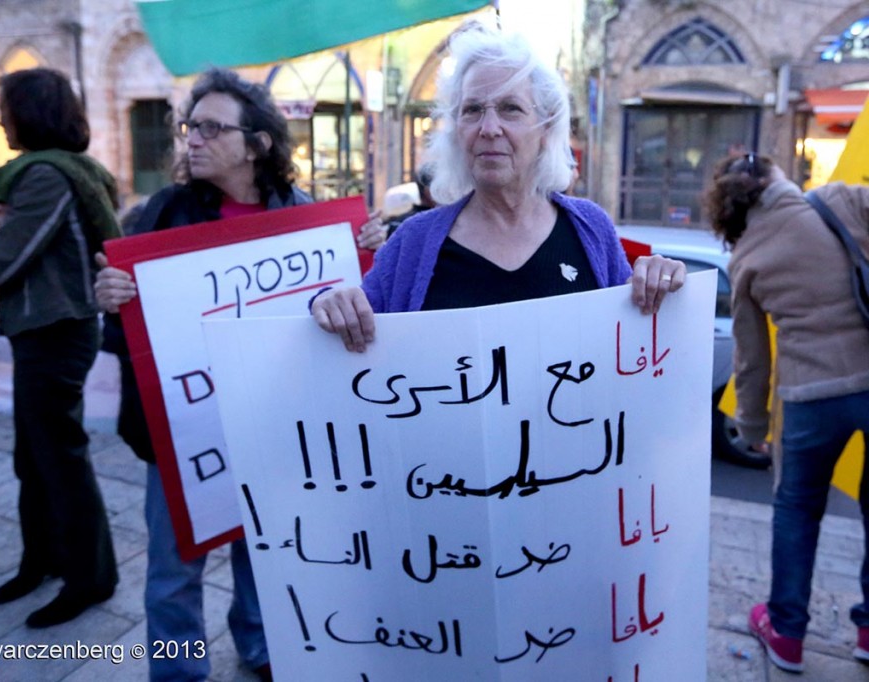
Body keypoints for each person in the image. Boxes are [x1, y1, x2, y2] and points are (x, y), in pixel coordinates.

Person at [95, 67, 387, 682]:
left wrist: (363, 250)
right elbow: (130, 334)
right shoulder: (161, 213)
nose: (191, 140)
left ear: (256, 143)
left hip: (272, 421)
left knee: (265, 546)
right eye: (188, 127)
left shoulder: (305, 216)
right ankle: (177, 671)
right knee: (175, 568)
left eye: (209, 128)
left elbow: (349, 310)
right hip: (185, 428)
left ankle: (259, 645)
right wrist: (113, 296)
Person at [312, 26, 685, 356]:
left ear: (545, 129)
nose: (489, 128)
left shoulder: (590, 228)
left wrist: (658, 282)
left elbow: (635, 340)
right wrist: (330, 304)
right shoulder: (414, 241)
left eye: (510, 108)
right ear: (456, 130)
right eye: (473, 110)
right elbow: (352, 323)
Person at [0, 67, 120, 629]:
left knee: (59, 457)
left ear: (29, 114)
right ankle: (41, 561)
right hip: (49, 328)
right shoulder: (58, 174)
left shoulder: (44, 176)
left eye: (6, 108)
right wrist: (9, 220)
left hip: (55, 331)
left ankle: (89, 578)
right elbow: (49, 245)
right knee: (33, 456)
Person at [704, 153, 869, 673]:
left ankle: (786, 633)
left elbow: (752, 358)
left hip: (807, 397)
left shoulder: (746, 255)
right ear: (777, 178)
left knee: (797, 511)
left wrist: (752, 426)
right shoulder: (843, 201)